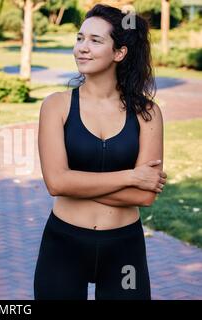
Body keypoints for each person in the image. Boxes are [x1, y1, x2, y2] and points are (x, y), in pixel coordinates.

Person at [34, 4, 167, 300]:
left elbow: (144, 195)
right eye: (80, 38)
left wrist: (74, 184)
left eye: (95, 40)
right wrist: (132, 176)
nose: (82, 48)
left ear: (119, 53)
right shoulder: (56, 106)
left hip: (124, 249)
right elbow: (56, 183)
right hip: (63, 244)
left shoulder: (147, 113)